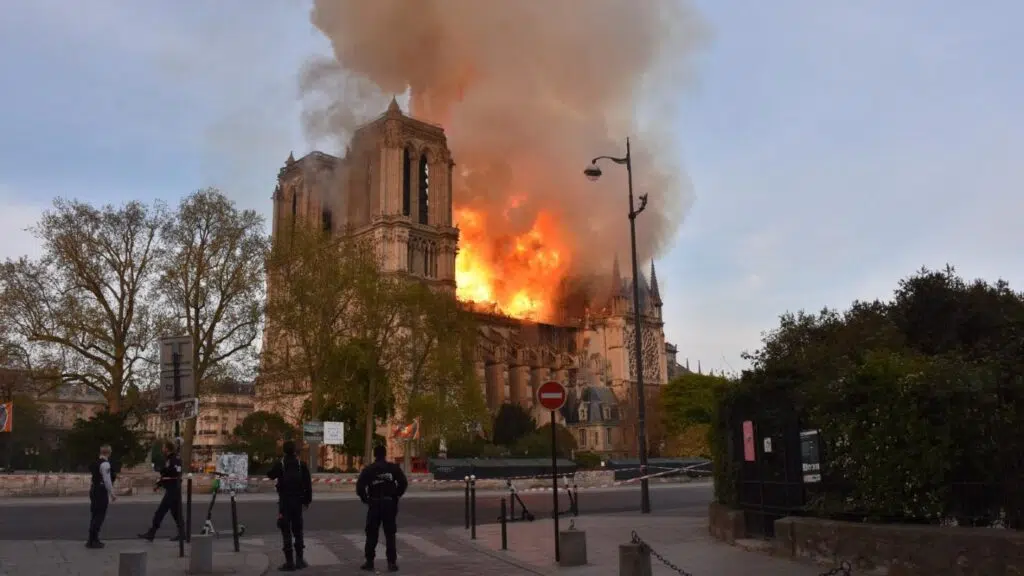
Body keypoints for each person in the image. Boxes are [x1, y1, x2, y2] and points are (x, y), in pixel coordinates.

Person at [356, 444, 408, 572]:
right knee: (390, 534)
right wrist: (396, 495)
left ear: (375, 455)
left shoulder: (369, 469)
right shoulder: (393, 468)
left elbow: (360, 487)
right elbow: (403, 483)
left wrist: (366, 499)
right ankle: (391, 562)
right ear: (385, 454)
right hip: (389, 503)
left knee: (372, 533)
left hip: (374, 503)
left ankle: (369, 561)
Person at [267, 440, 313, 571]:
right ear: (295, 451)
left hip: (285, 502)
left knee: (286, 531)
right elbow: (308, 486)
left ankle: (289, 562)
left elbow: (270, 475)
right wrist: (307, 501)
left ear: (284, 451)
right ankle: (300, 560)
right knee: (298, 531)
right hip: (298, 502)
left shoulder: (281, 464)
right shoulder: (301, 465)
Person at [138, 440, 183, 542]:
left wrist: (162, 471)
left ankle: (152, 533)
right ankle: (182, 533)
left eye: (163, 447)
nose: (162, 449)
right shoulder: (173, 458)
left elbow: (171, 472)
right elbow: (168, 474)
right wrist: (159, 484)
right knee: (176, 513)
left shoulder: (173, 459)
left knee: (160, 512)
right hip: (173, 489)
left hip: (172, 490)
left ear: (167, 449)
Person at [86, 444, 117, 548]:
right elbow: (107, 480)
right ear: (109, 453)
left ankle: (91, 539)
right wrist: (112, 493)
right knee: (100, 515)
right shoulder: (105, 465)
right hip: (101, 490)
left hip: (93, 489)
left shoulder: (96, 463)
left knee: (94, 514)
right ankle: (94, 540)